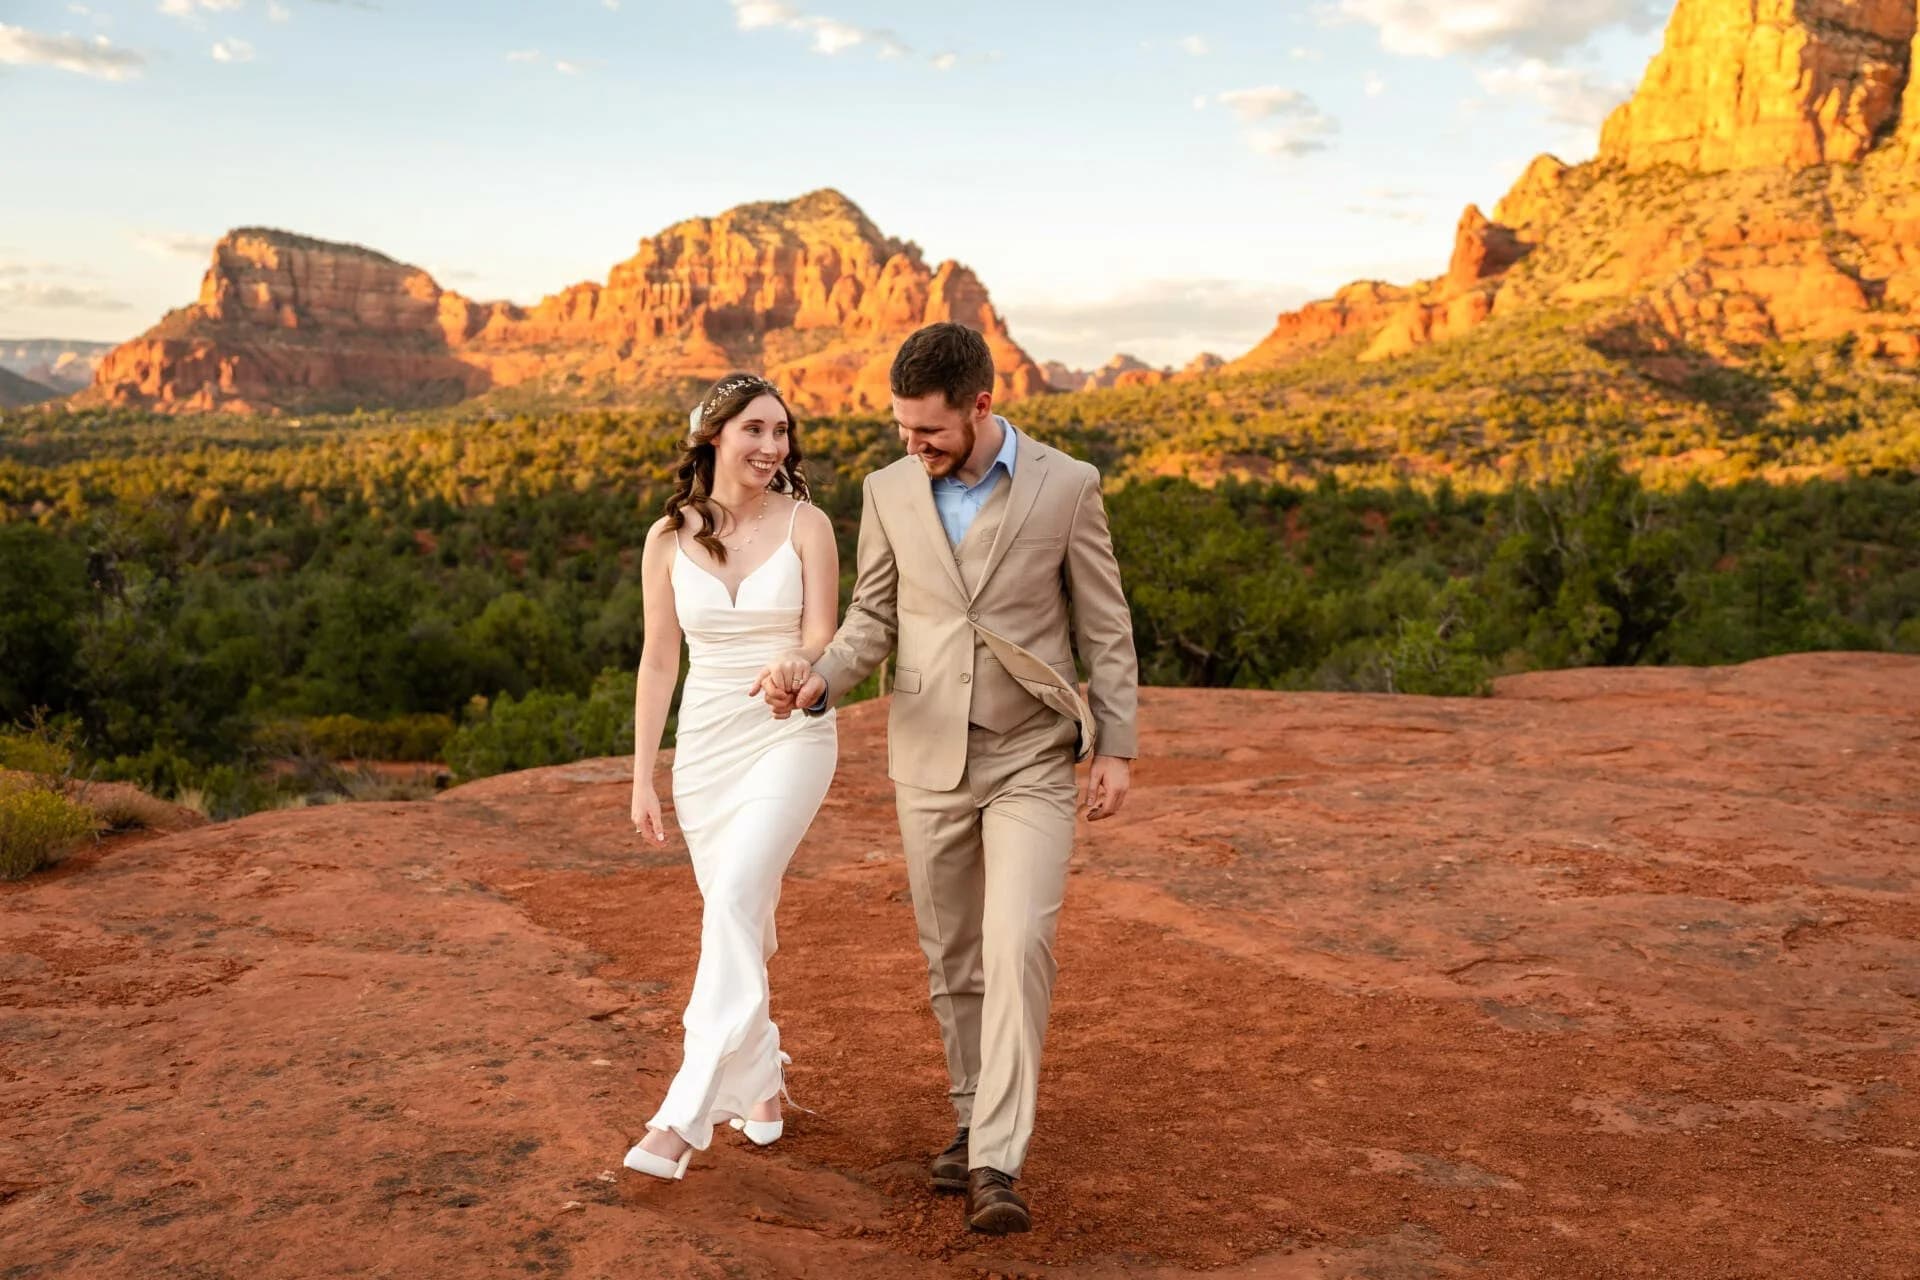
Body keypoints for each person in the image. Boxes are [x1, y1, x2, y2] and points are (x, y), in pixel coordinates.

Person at [759, 322, 1140, 1233]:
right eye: (900, 430)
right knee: (954, 956)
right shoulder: (888, 490)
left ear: (981, 405)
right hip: (926, 751)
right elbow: (872, 616)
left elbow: (1107, 622)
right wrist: (821, 678)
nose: (912, 446)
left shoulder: (1069, 485)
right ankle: (972, 1117)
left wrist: (1115, 745)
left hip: (1031, 755)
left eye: (928, 431)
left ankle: (997, 1162)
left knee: (1018, 945)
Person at [621, 372, 840, 1181]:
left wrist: (799, 658)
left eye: (782, 432)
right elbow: (657, 660)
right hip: (705, 748)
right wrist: (645, 775)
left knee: (739, 897)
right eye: (755, 430)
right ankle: (763, 1084)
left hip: (789, 734)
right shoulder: (665, 538)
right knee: (737, 914)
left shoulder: (808, 523)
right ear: (714, 436)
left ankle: (683, 1113)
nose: (772, 447)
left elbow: (823, 630)